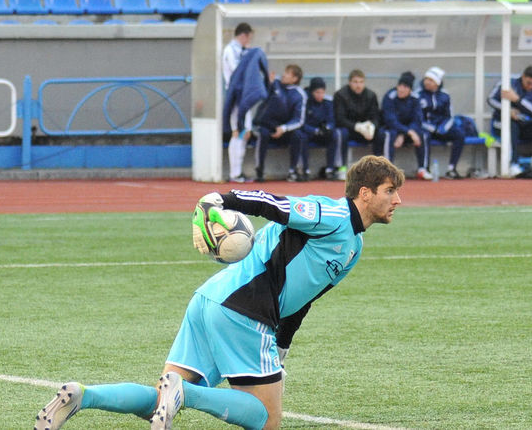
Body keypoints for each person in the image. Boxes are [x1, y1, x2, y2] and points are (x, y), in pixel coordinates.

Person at [35, 154, 405, 430]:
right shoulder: (333, 214)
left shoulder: (354, 245)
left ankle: (82, 395)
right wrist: (220, 200)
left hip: (212, 300)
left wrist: (281, 349)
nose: (397, 200)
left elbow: (302, 301)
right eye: (390, 191)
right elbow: (272, 204)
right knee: (267, 419)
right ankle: (187, 392)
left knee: (161, 399)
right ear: (365, 192)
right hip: (245, 309)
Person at [487, 65, 532, 177]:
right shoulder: (507, 82)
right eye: (528, 83)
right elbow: (490, 99)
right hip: (502, 123)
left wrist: (517, 99)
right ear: (523, 77)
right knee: (512, 127)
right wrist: (507, 110)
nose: (530, 87)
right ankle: (513, 164)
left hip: (525, 123)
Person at [223, 35, 269, 183]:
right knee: (237, 134)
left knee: (244, 135)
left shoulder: (243, 53)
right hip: (237, 99)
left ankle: (237, 172)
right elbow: (236, 71)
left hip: (243, 98)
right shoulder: (231, 51)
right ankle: (234, 173)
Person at [252, 64, 308, 182]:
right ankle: (259, 170)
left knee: (298, 135)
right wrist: (268, 82)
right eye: (285, 72)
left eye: (288, 73)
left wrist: (283, 128)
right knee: (263, 133)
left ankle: (293, 171)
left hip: (284, 130)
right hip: (266, 125)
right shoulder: (275, 83)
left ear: (295, 79)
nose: (283, 74)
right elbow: (261, 94)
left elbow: (299, 120)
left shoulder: (299, 94)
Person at [381, 71, 432, 180]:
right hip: (393, 128)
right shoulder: (390, 97)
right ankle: (386, 170)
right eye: (400, 85)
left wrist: (405, 134)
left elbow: (417, 119)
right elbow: (390, 120)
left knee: (424, 135)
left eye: (405, 87)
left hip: (409, 130)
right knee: (389, 134)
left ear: (410, 89)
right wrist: (407, 132)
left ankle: (423, 168)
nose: (401, 89)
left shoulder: (415, 98)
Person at [416, 66, 465, 179]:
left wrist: (443, 128)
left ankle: (451, 169)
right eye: (426, 79)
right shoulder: (418, 95)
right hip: (425, 128)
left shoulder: (445, 95)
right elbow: (417, 118)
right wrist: (431, 128)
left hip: (441, 129)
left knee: (459, 134)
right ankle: (424, 168)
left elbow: (450, 116)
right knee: (424, 135)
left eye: (431, 80)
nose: (427, 82)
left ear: (437, 83)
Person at [300, 77, 347, 181]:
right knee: (301, 136)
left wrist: (327, 128)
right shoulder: (305, 102)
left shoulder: (328, 102)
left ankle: (331, 169)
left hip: (324, 133)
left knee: (335, 135)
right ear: (312, 92)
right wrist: (314, 130)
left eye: (322, 92)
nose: (320, 95)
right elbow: (302, 122)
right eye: (317, 92)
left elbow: (332, 120)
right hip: (310, 132)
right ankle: (304, 169)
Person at [333, 69, 384, 158]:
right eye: (355, 82)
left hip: (367, 130)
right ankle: (341, 167)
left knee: (381, 133)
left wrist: (372, 126)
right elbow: (339, 118)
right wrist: (357, 127)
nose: (358, 85)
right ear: (349, 82)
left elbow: (376, 116)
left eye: (361, 82)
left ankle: (379, 166)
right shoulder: (340, 95)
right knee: (341, 134)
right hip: (349, 129)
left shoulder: (371, 95)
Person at [222, 22, 254, 92]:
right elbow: (236, 69)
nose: (249, 41)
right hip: (233, 90)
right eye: (249, 38)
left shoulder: (242, 50)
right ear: (243, 36)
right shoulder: (230, 50)